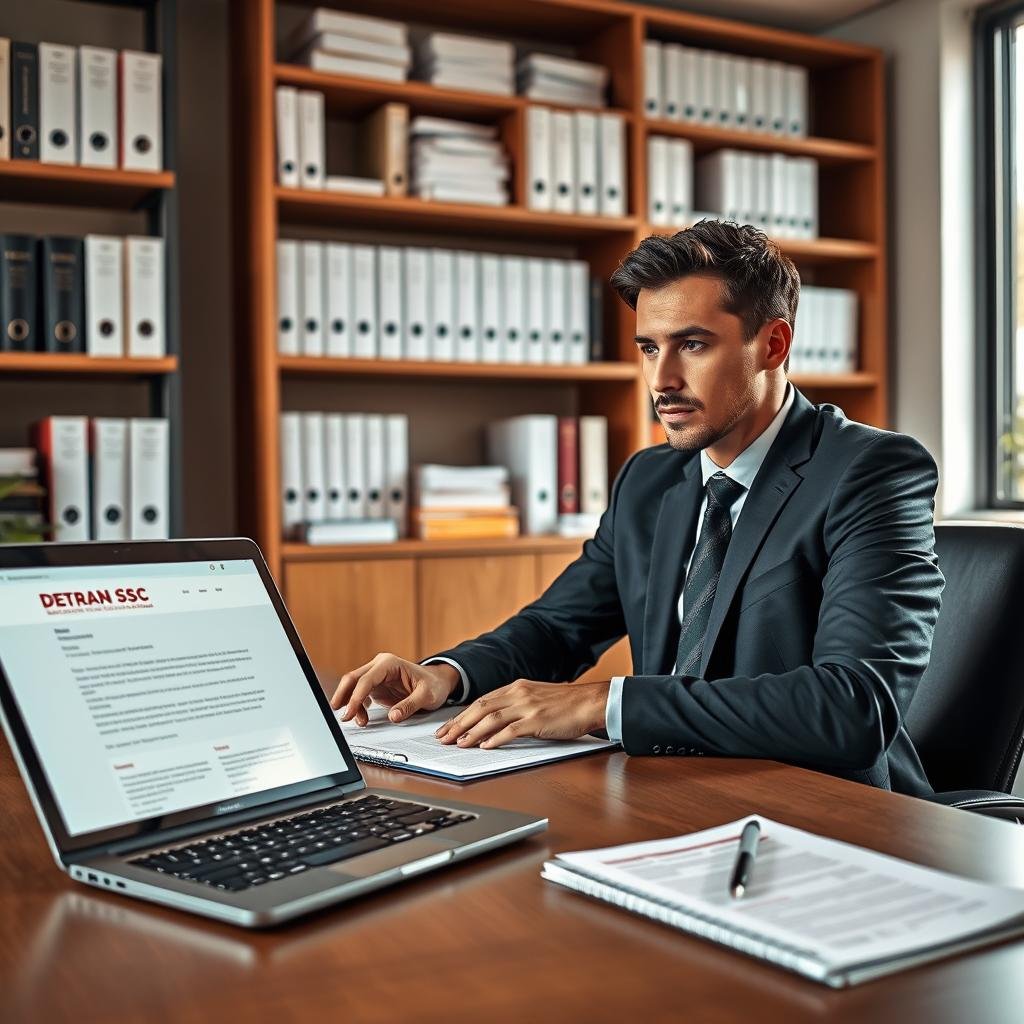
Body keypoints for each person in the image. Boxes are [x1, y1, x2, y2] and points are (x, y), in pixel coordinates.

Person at [330, 220, 944, 796]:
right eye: (649, 348)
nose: (662, 379)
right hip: (671, 793)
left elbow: (854, 707)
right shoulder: (650, 480)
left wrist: (606, 704)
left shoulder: (869, 472)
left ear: (773, 344)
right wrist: (448, 674)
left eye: (693, 345)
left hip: (825, 811)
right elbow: (556, 627)